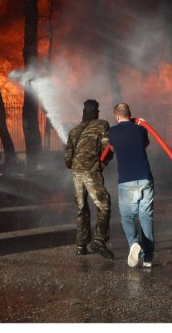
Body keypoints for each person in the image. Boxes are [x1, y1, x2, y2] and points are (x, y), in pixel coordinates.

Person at [63, 99, 114, 259]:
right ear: (97, 111)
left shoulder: (74, 130)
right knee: (104, 205)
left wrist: (75, 167)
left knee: (81, 208)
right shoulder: (102, 124)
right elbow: (108, 148)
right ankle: (99, 240)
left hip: (76, 173)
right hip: (91, 171)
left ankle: (81, 246)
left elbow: (67, 158)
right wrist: (101, 164)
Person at [108, 102, 154, 268]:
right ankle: (147, 258)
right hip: (145, 178)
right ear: (130, 113)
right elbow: (145, 144)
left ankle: (134, 244)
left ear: (117, 116)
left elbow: (111, 149)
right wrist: (139, 123)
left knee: (128, 217)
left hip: (126, 180)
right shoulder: (141, 129)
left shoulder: (112, 131)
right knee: (146, 217)